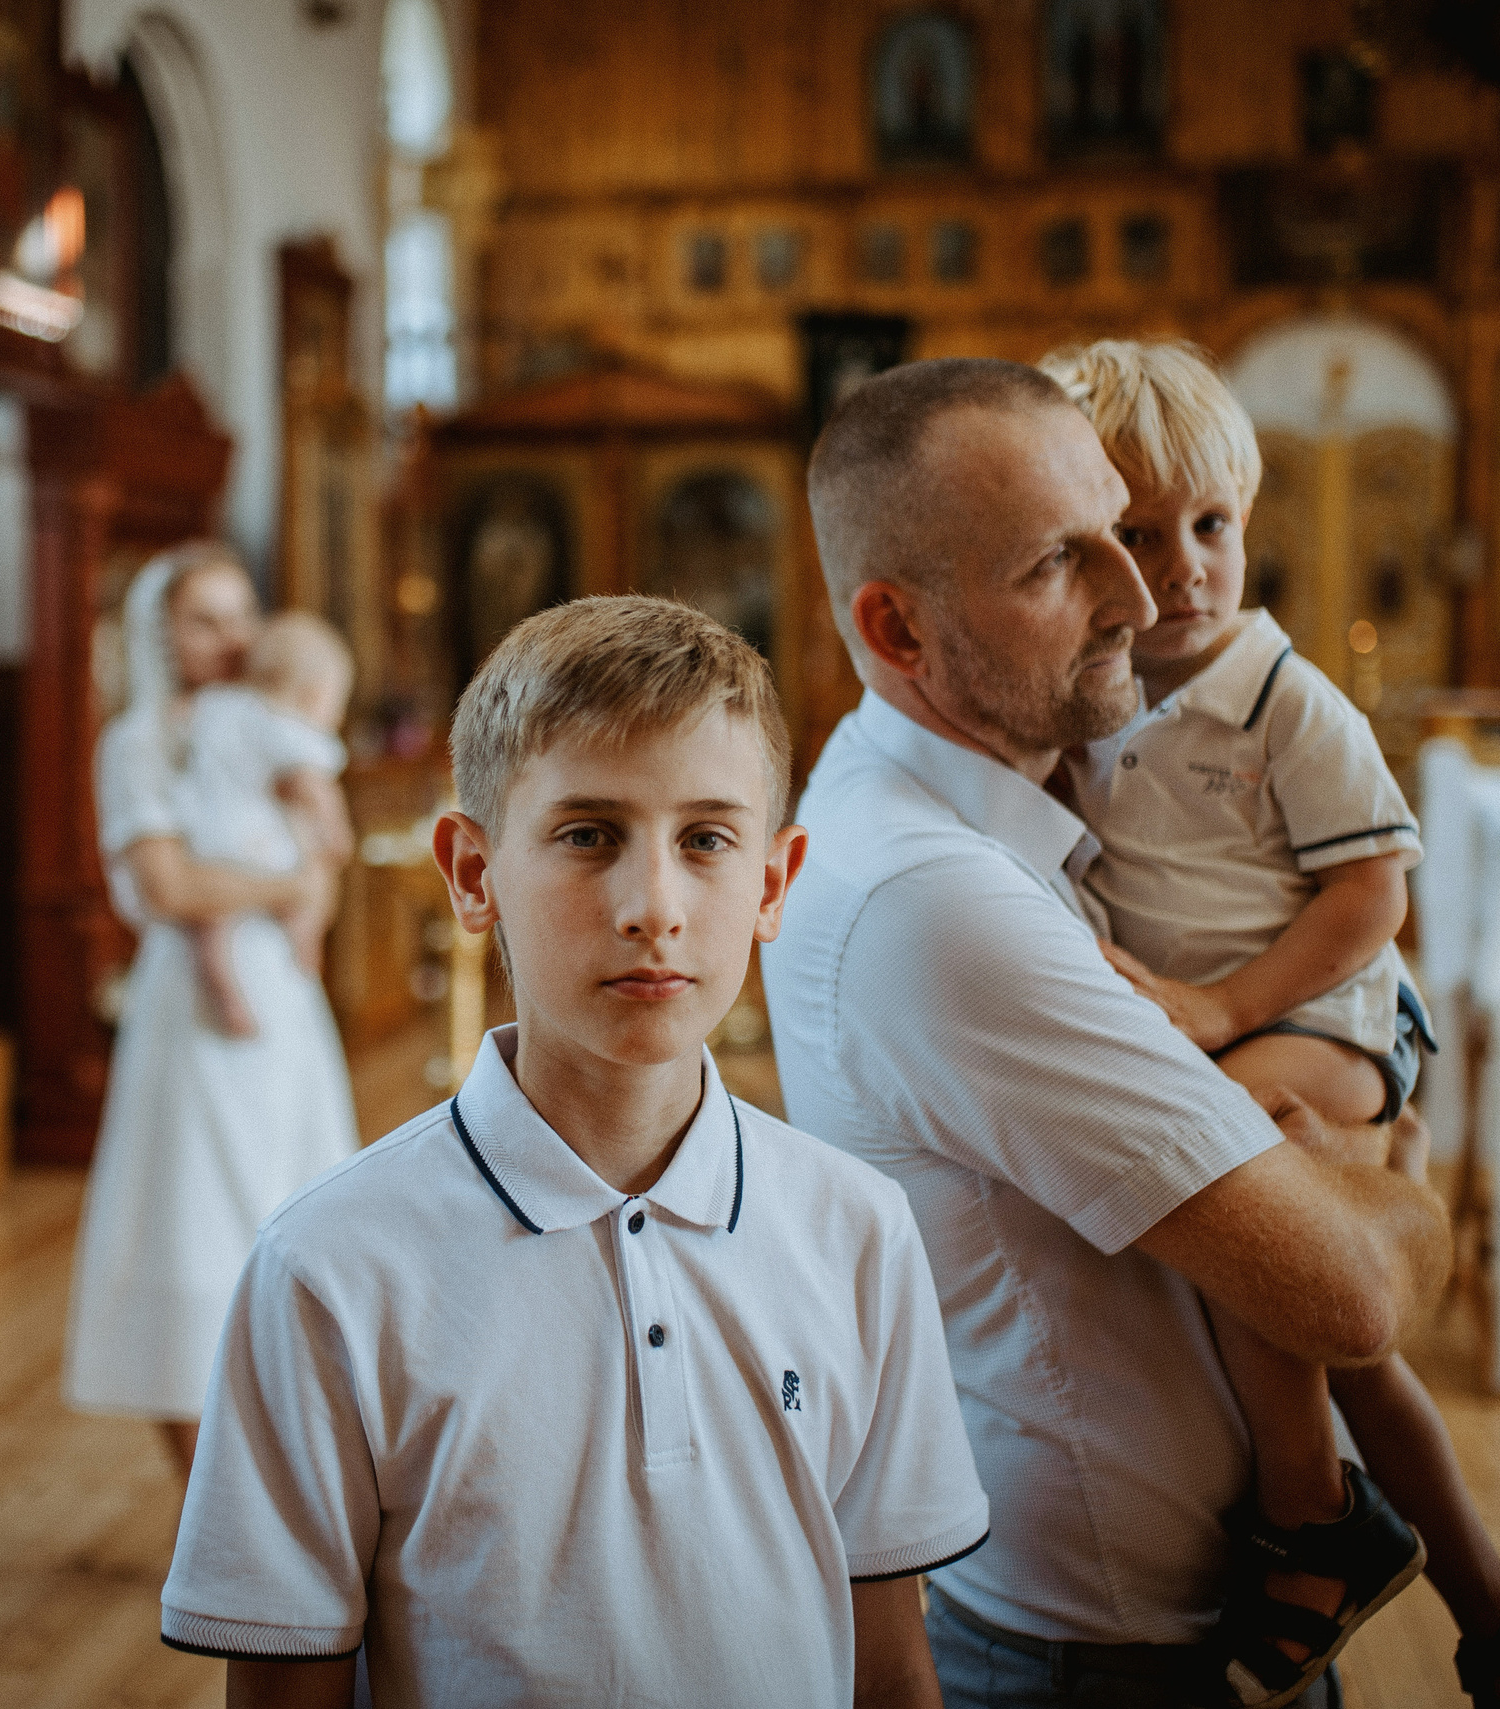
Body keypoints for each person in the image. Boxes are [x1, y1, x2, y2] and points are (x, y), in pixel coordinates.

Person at [763, 357, 1469, 1709]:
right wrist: (1399, 1195)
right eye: (1060, 566)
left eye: (1129, 529)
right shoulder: (938, 900)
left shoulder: (996, 805)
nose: (1144, 600)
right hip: (1115, 1654)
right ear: (899, 630)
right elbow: (1351, 1294)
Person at [160, 596, 988, 1709]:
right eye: (588, 833)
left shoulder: (856, 1229)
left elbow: (890, 1663)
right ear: (471, 870)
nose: (653, 906)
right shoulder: (328, 1268)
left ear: (775, 883)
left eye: (706, 839)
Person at [1040, 339, 1500, 1709]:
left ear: (1250, 524)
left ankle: (1312, 1514)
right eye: (1138, 533)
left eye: (1214, 528)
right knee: (1331, 1324)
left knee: (1249, 1219)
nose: (1185, 569)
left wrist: (1228, 1006)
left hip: (1325, 1014)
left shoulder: (1287, 696)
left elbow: (1372, 893)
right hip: (1225, 1026)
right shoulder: (1095, 699)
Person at [62, 546, 358, 1478]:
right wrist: (282, 883)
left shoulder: (267, 723)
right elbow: (167, 879)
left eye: (241, 616)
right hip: (190, 1015)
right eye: (204, 621)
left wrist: (298, 892)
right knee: (190, 1230)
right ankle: (208, 1498)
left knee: (297, 1213)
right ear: (163, 635)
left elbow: (327, 864)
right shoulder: (140, 740)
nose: (232, 638)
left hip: (285, 1004)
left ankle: (296, 1481)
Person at [181, 610, 356, 1039]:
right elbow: (310, 783)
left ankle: (224, 989)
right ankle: (307, 940)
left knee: (213, 924)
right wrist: (337, 830)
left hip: (208, 831)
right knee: (308, 882)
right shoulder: (287, 726)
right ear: (314, 693)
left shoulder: (219, 705)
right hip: (259, 839)